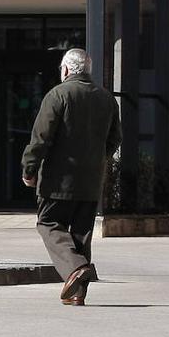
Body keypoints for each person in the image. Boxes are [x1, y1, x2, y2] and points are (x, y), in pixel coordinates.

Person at [21, 48, 121, 307]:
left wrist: (29, 168)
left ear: (65, 70)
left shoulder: (58, 94)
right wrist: (97, 159)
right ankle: (78, 292)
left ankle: (76, 268)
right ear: (87, 70)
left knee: (48, 223)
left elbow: (41, 137)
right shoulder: (107, 99)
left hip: (58, 179)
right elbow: (114, 140)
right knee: (81, 234)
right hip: (90, 180)